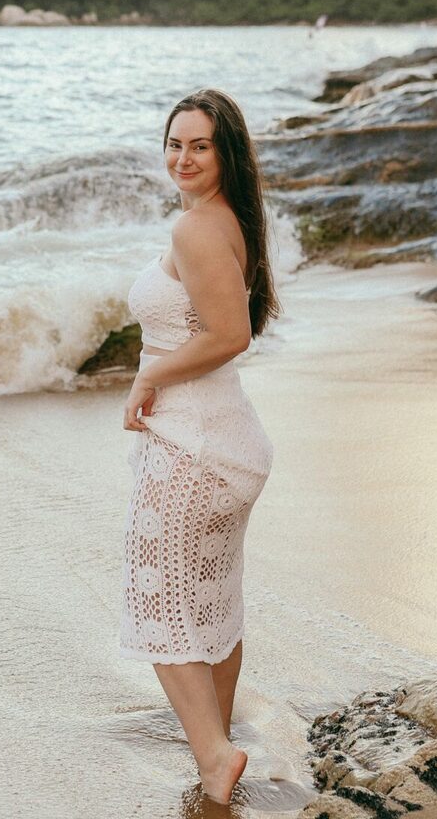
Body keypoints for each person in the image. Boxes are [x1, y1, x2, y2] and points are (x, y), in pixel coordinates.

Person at [119, 87, 282, 805]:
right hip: (226, 447)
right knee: (210, 608)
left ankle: (215, 758)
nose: (182, 158)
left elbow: (229, 337)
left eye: (200, 145)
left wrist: (148, 374)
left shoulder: (196, 230)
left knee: (159, 605)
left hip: (195, 449)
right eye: (174, 143)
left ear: (227, 154)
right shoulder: (227, 219)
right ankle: (214, 753)